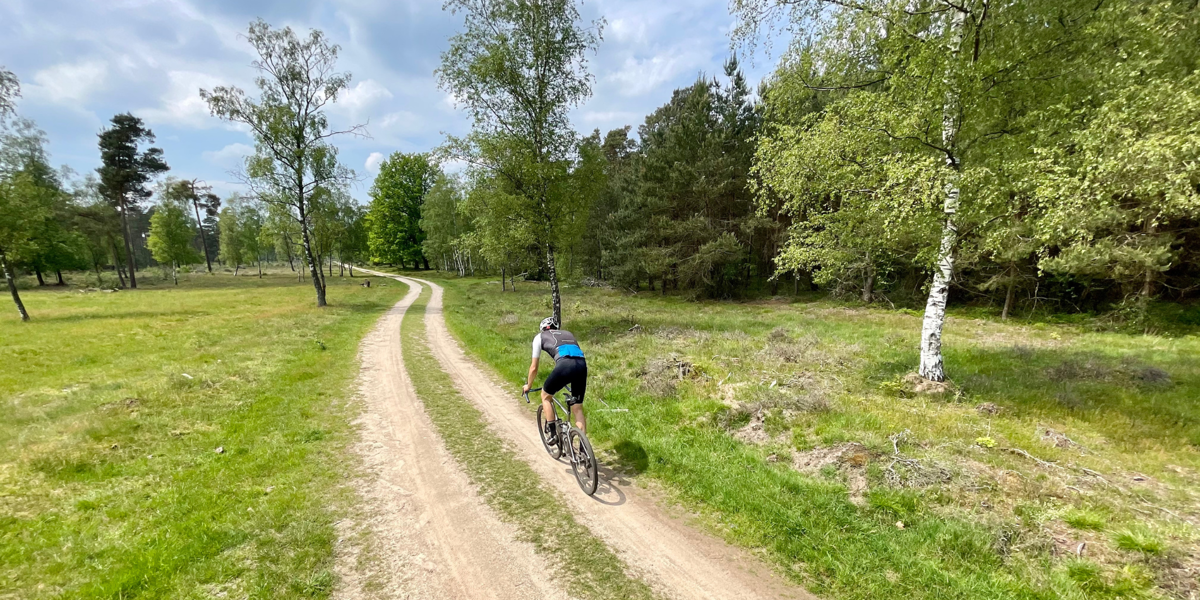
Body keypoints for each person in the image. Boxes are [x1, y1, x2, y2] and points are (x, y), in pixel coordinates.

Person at [523, 317, 588, 440]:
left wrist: (528, 385)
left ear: (543, 329)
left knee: (546, 396)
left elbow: (533, 368)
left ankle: (553, 434)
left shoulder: (539, 337)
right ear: (556, 327)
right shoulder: (568, 334)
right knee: (577, 408)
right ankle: (583, 450)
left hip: (564, 365)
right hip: (581, 365)